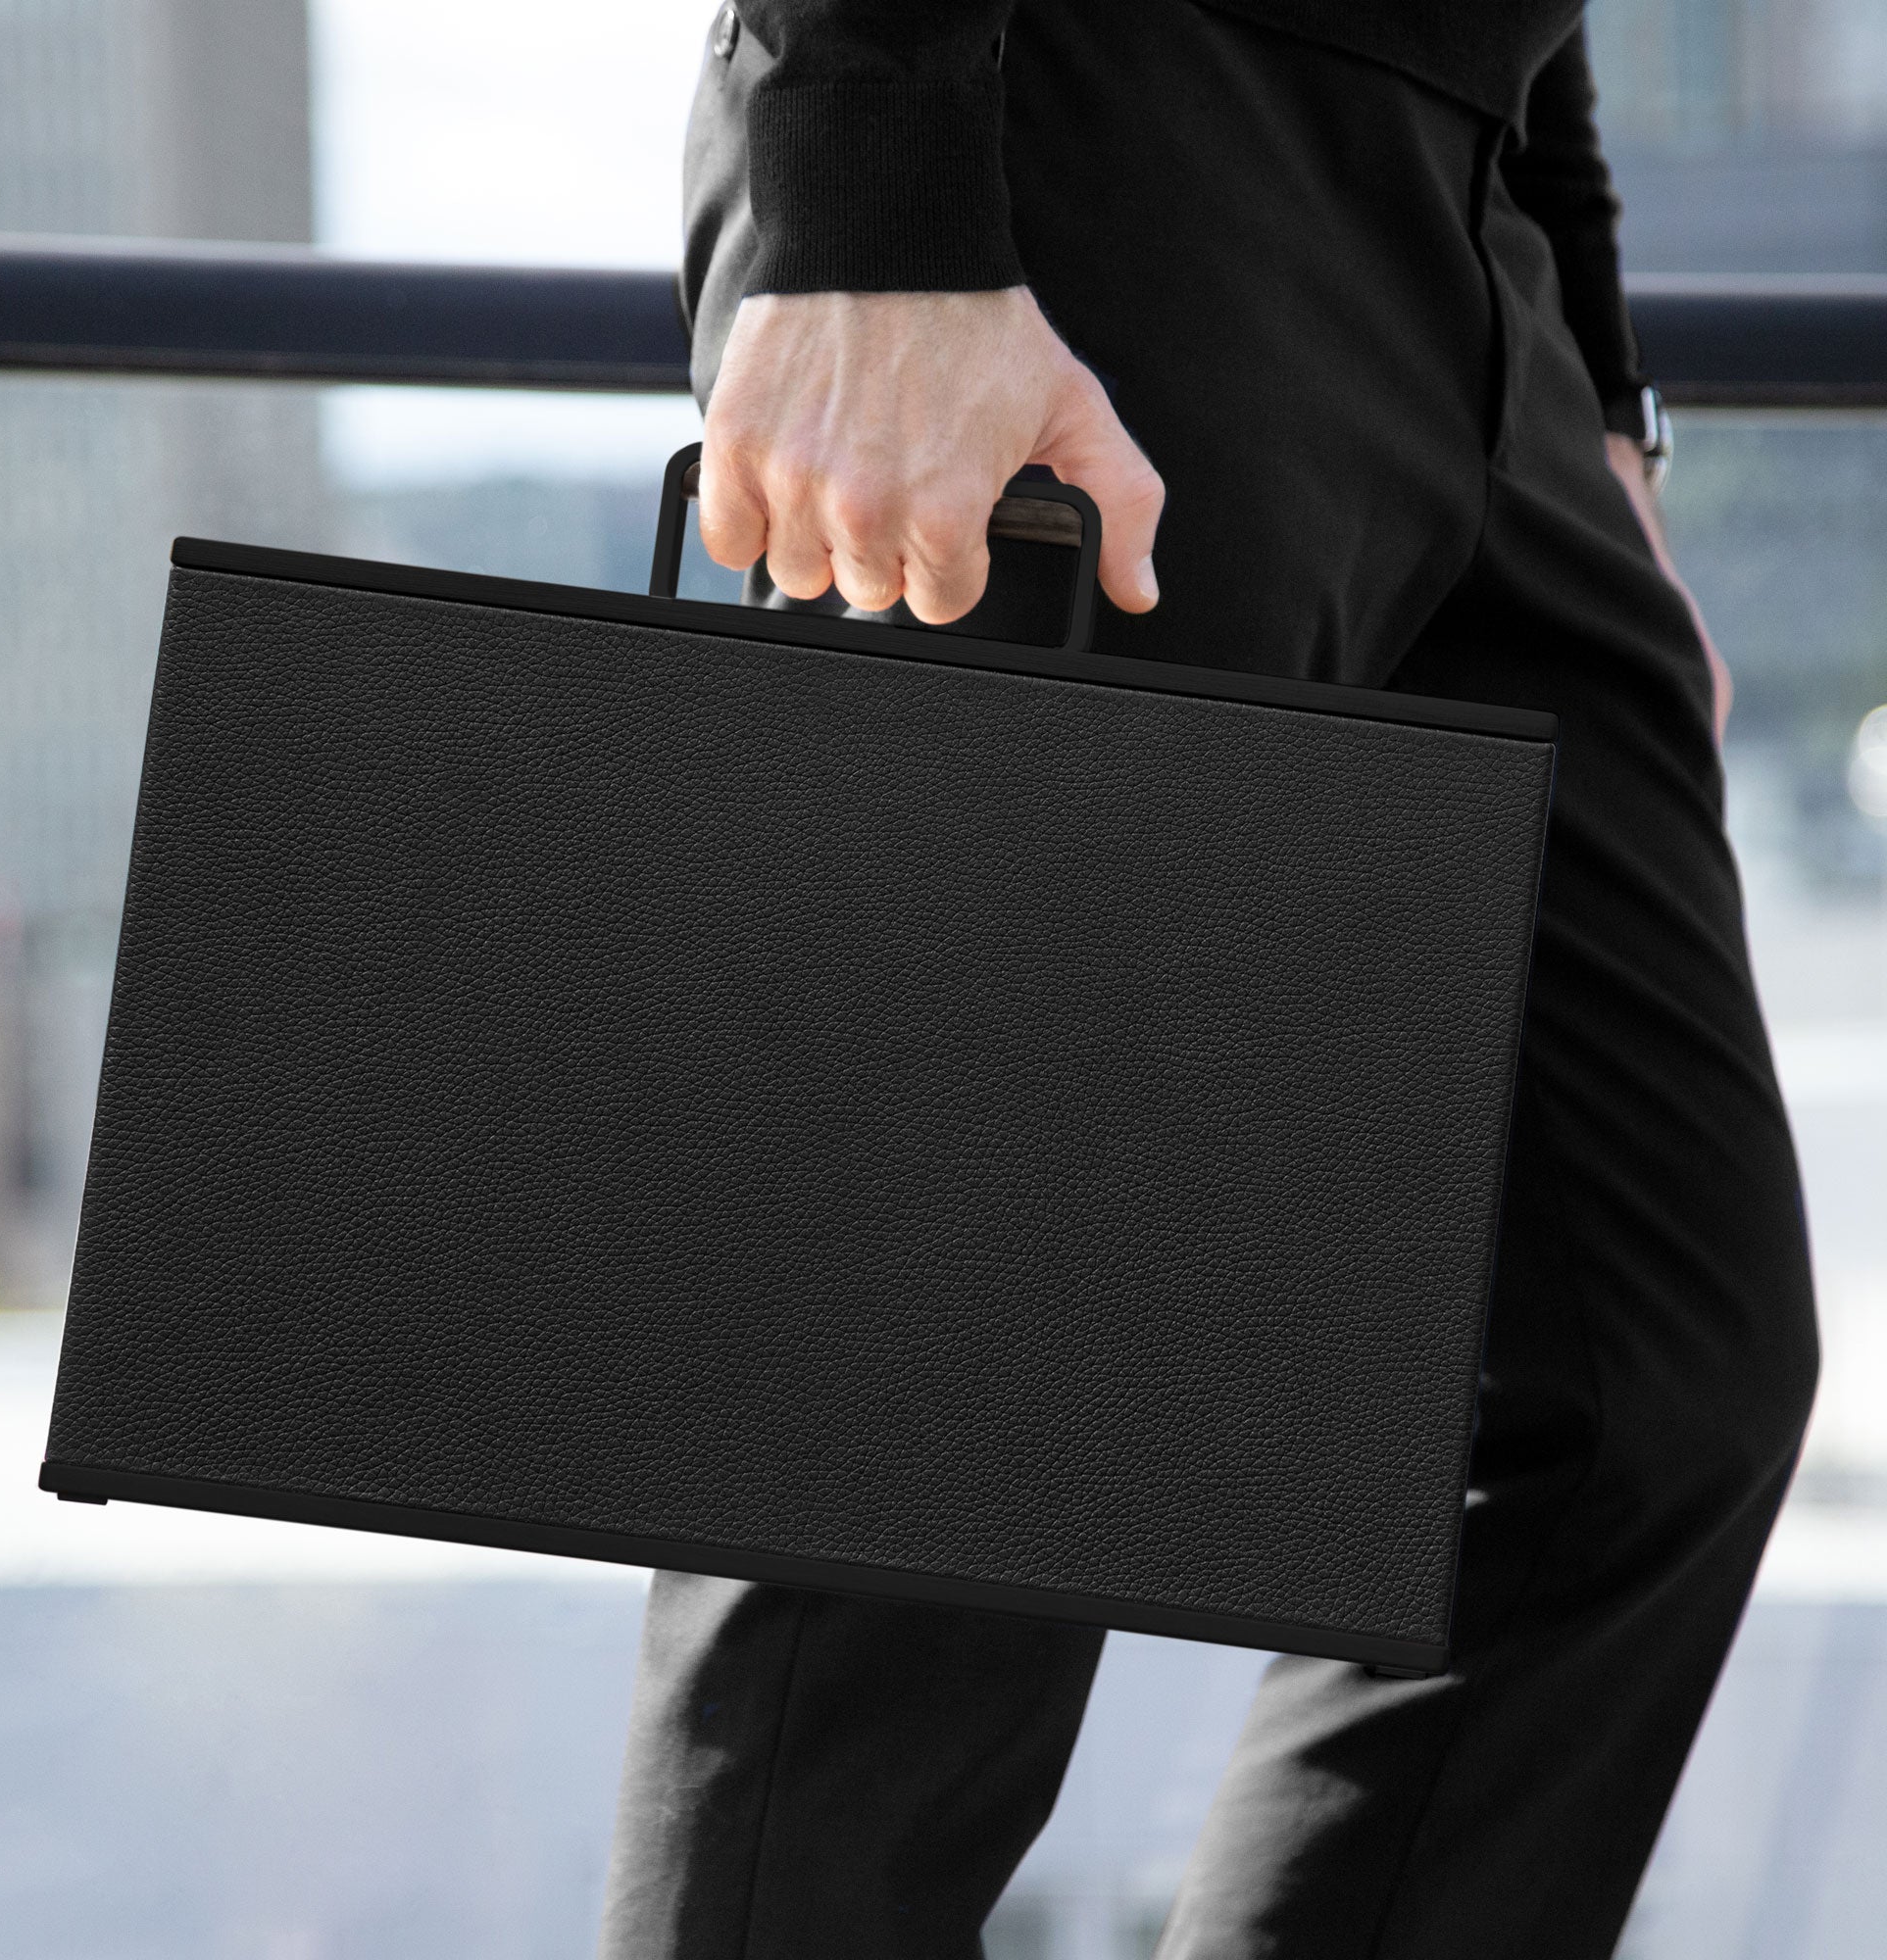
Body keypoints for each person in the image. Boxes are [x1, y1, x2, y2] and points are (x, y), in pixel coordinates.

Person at [599, 5, 1821, 1955]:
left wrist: (1585, 371)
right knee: (941, 1441)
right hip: (1100, 156)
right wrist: (858, 181)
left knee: (1654, 1389)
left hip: (1475, 247)